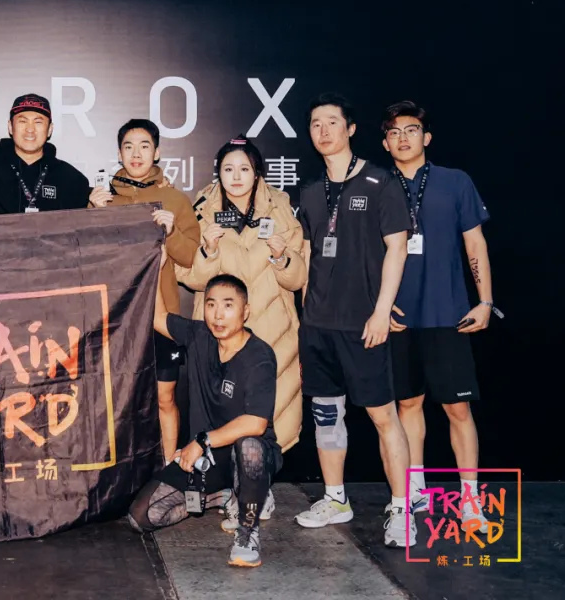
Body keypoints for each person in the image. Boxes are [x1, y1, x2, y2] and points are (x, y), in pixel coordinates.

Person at [293, 92, 415, 548]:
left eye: (332, 122)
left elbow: (397, 248)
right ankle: (335, 498)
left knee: (384, 417)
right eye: (315, 124)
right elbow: (308, 255)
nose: (323, 131)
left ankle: (402, 508)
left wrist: (382, 311)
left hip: (363, 324)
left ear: (351, 129)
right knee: (327, 416)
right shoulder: (309, 191)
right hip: (318, 326)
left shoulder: (380, 182)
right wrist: (305, 317)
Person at [174, 135, 305, 530]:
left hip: (271, 330)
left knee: (268, 416)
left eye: (244, 169)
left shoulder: (280, 208)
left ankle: (258, 488)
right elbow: (188, 276)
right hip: (222, 337)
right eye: (228, 169)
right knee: (226, 413)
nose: (236, 176)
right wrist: (208, 251)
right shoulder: (203, 209)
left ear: (257, 172)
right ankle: (236, 491)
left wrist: (281, 256)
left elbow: (298, 278)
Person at [381, 101, 495, 528]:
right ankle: (415, 490)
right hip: (398, 316)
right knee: (407, 404)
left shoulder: (455, 181)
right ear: (384, 142)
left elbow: (475, 243)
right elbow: (366, 255)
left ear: (426, 137)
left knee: (457, 409)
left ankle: (470, 498)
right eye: (394, 131)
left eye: (411, 129)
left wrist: (485, 301)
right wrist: (379, 306)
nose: (403, 138)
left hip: (449, 313)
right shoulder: (377, 185)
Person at [127, 269, 281, 569]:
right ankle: (227, 497)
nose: (218, 315)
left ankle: (247, 530)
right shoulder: (199, 335)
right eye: (211, 304)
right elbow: (157, 318)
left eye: (228, 305)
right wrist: (156, 265)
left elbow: (256, 423)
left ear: (245, 311)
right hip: (208, 459)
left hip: (246, 458)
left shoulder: (259, 356)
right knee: (142, 516)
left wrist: (202, 441)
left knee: (250, 447)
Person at [88, 119, 200, 462]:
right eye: (129, 147)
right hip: (116, 316)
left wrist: (171, 232)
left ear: (157, 152)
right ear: (119, 152)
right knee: (116, 399)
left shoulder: (174, 199)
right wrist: (91, 212)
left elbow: (190, 255)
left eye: (144, 146)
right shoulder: (104, 199)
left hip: (160, 317)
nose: (136, 154)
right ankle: (117, 471)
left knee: (165, 397)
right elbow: (87, 257)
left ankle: (168, 469)